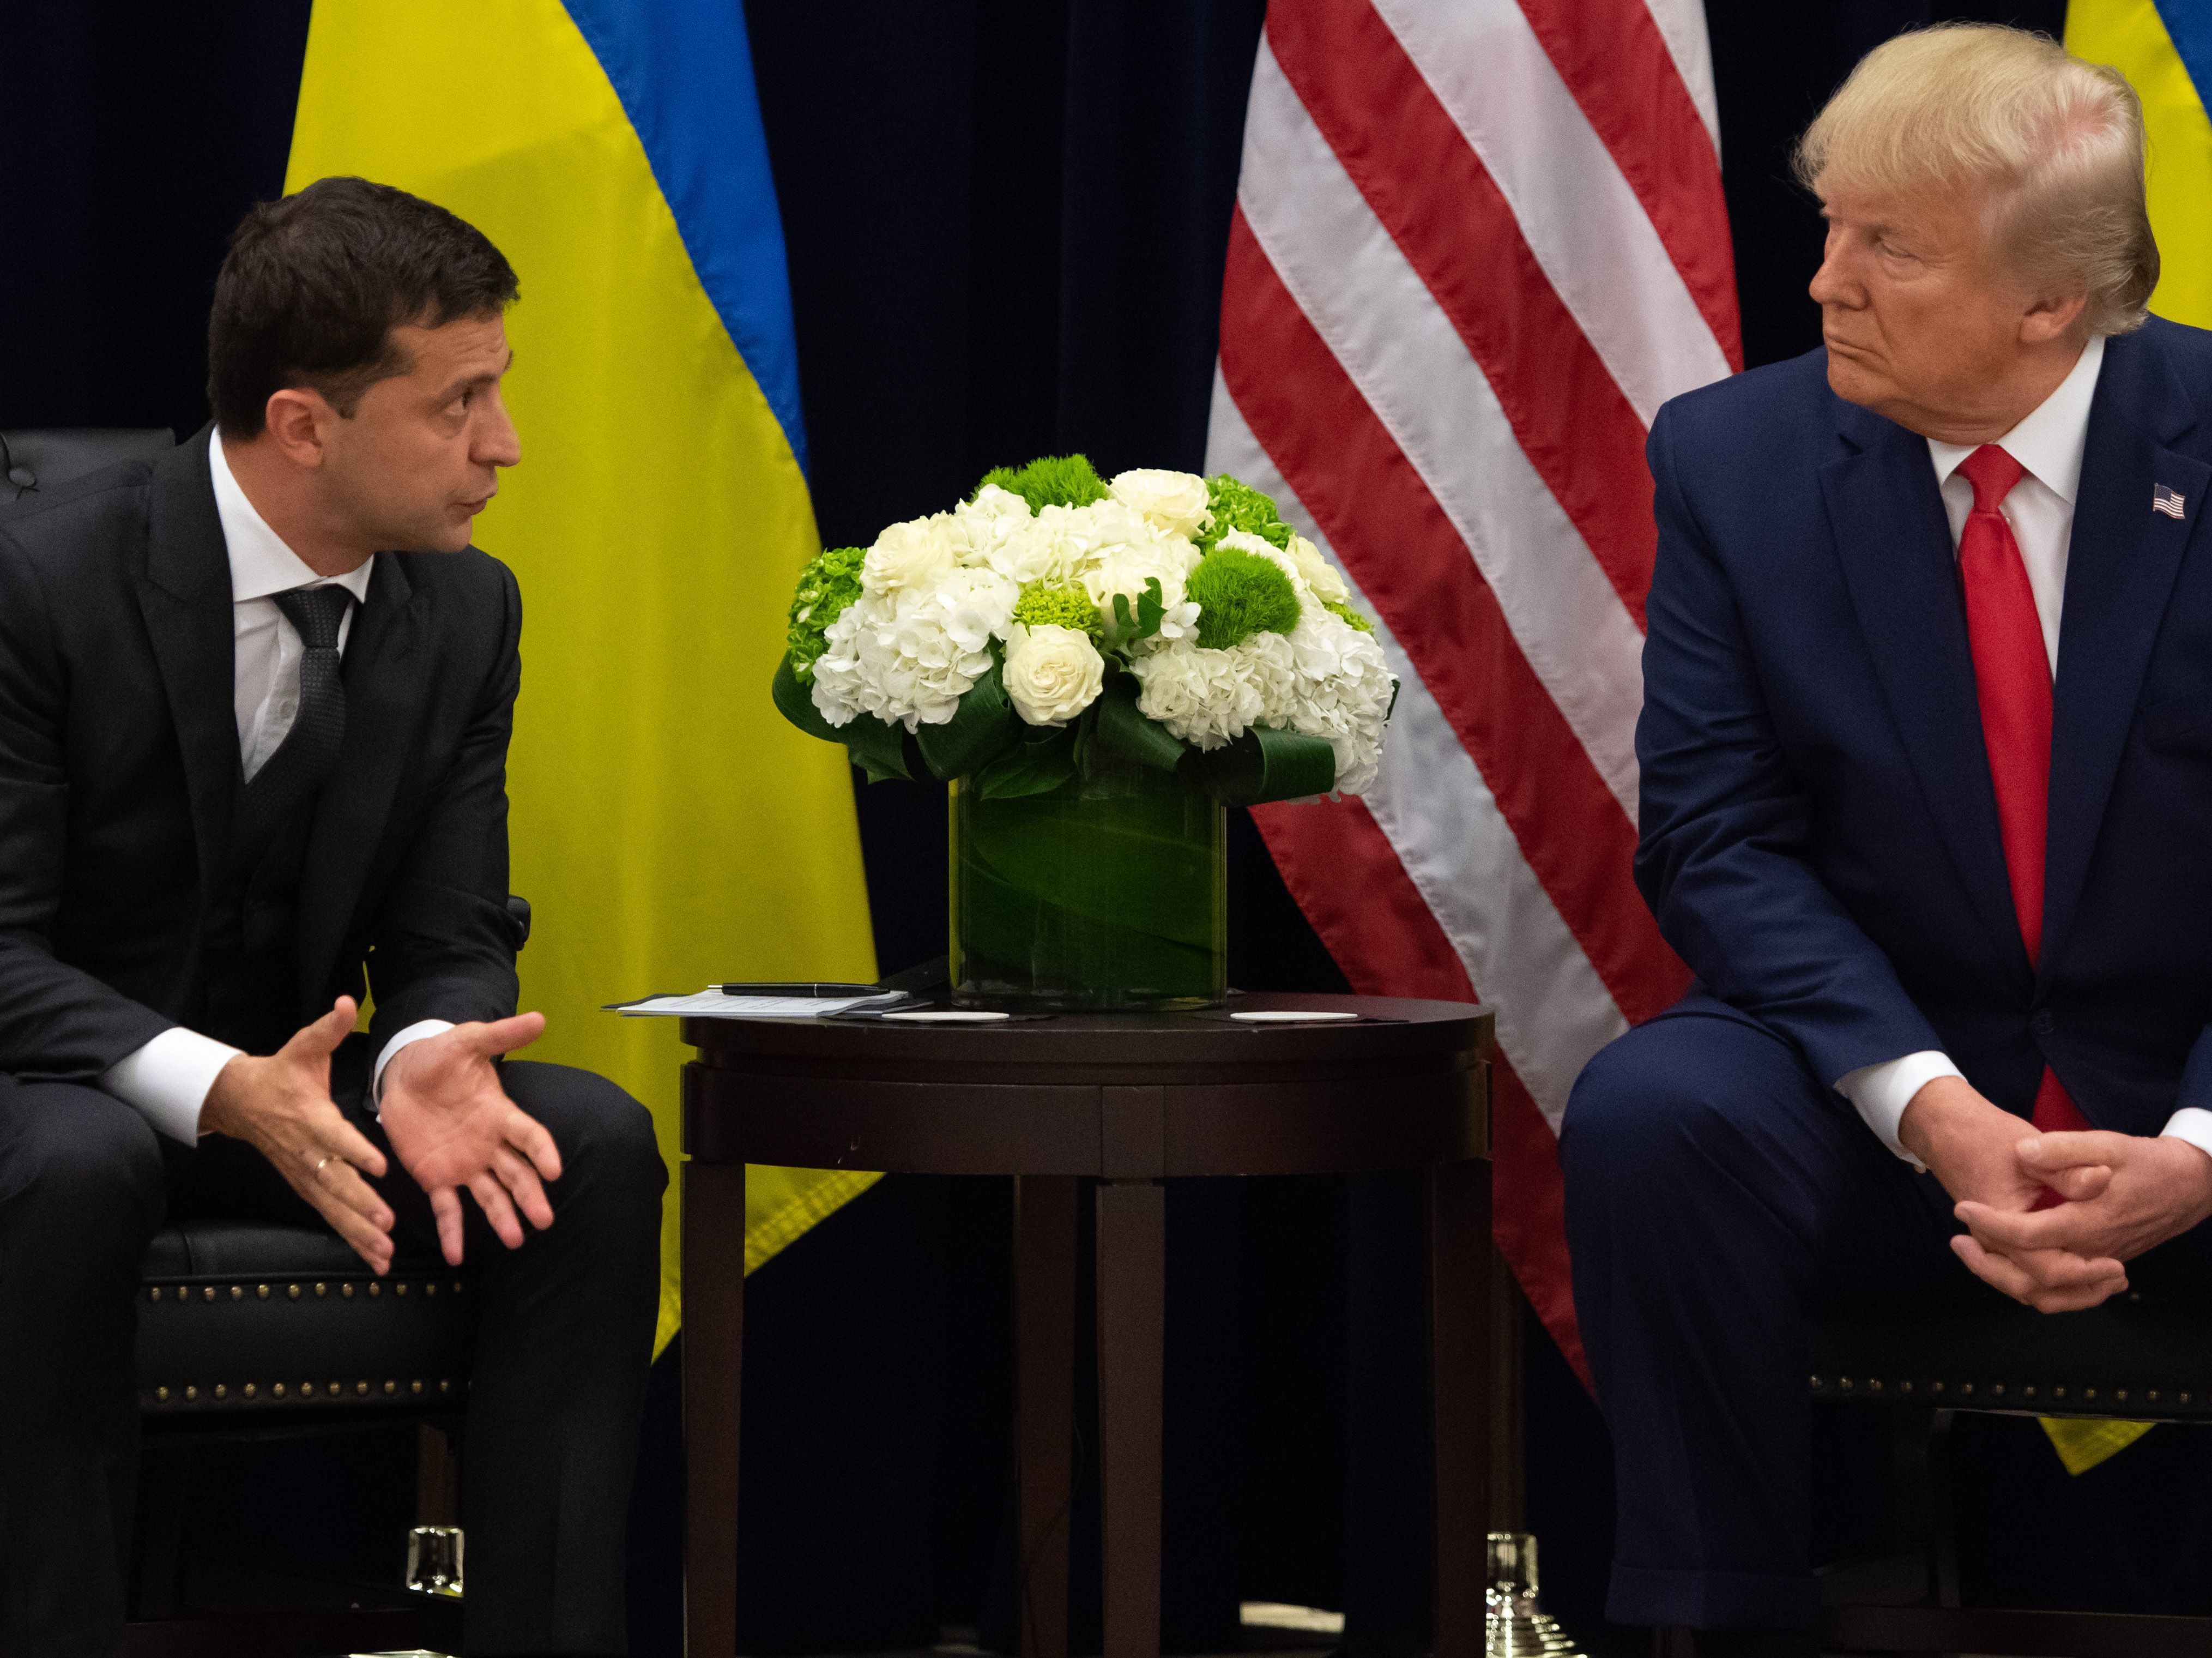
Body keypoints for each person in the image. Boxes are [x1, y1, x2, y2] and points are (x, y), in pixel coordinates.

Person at [1560, 25, 2212, 1657]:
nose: (1821, 282)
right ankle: (1709, 1626)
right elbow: (1713, 835)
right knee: (1655, 1113)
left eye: (1886, 248)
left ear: (2050, 300)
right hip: (1884, 1069)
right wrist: (1933, 1111)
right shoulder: (1735, 455)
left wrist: (2197, 1150)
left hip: (2186, 1065)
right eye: (1831, 224)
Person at [0, 176, 666, 1657]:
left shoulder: (464, 607)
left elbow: (446, 916)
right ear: (306, 423)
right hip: (58, 1088)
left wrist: (436, 1041)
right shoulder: (38, 581)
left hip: (304, 1084)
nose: (504, 446)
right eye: (461, 402)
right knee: (77, 1159)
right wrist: (220, 1086)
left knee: (592, 1150)